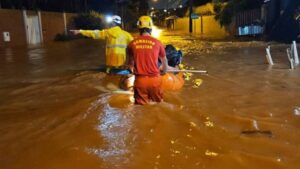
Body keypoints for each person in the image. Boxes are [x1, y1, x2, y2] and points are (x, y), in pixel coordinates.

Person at [127, 16, 168, 105]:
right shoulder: (158, 42)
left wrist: (131, 70)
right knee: (159, 106)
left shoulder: (131, 44)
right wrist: (164, 71)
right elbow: (164, 60)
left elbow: (130, 64)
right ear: (150, 28)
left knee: (141, 110)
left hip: (140, 81)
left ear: (139, 28)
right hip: (155, 81)